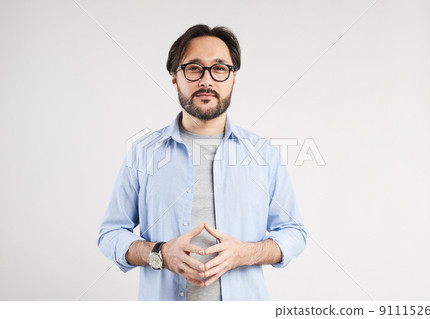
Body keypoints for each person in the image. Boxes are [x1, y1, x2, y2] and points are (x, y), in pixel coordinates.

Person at [97, 24, 307, 301]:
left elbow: (294, 233)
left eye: (219, 69)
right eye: (194, 68)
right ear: (175, 77)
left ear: (233, 79)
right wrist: (159, 254)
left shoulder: (263, 154)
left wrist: (245, 253)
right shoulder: (143, 153)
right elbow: (110, 234)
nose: (206, 80)